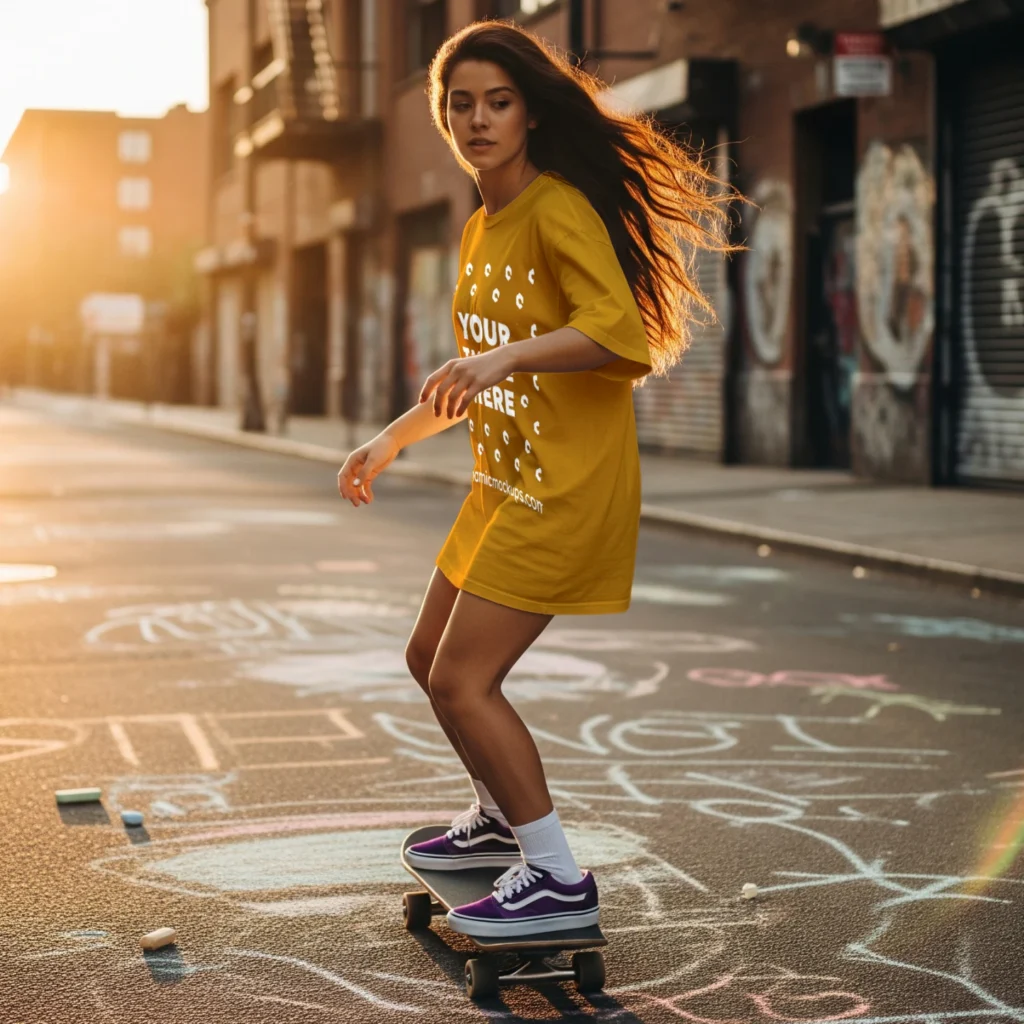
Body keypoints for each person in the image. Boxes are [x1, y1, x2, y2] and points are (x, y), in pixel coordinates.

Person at [337, 19, 735, 938]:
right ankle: (493, 822)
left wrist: (508, 358)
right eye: (460, 104)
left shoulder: (557, 207)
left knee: (465, 681)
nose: (478, 119)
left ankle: (555, 875)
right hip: (504, 481)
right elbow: (478, 369)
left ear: (528, 114)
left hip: (563, 489)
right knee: (424, 662)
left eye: (498, 102)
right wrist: (392, 438)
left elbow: (617, 337)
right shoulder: (481, 225)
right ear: (444, 119)